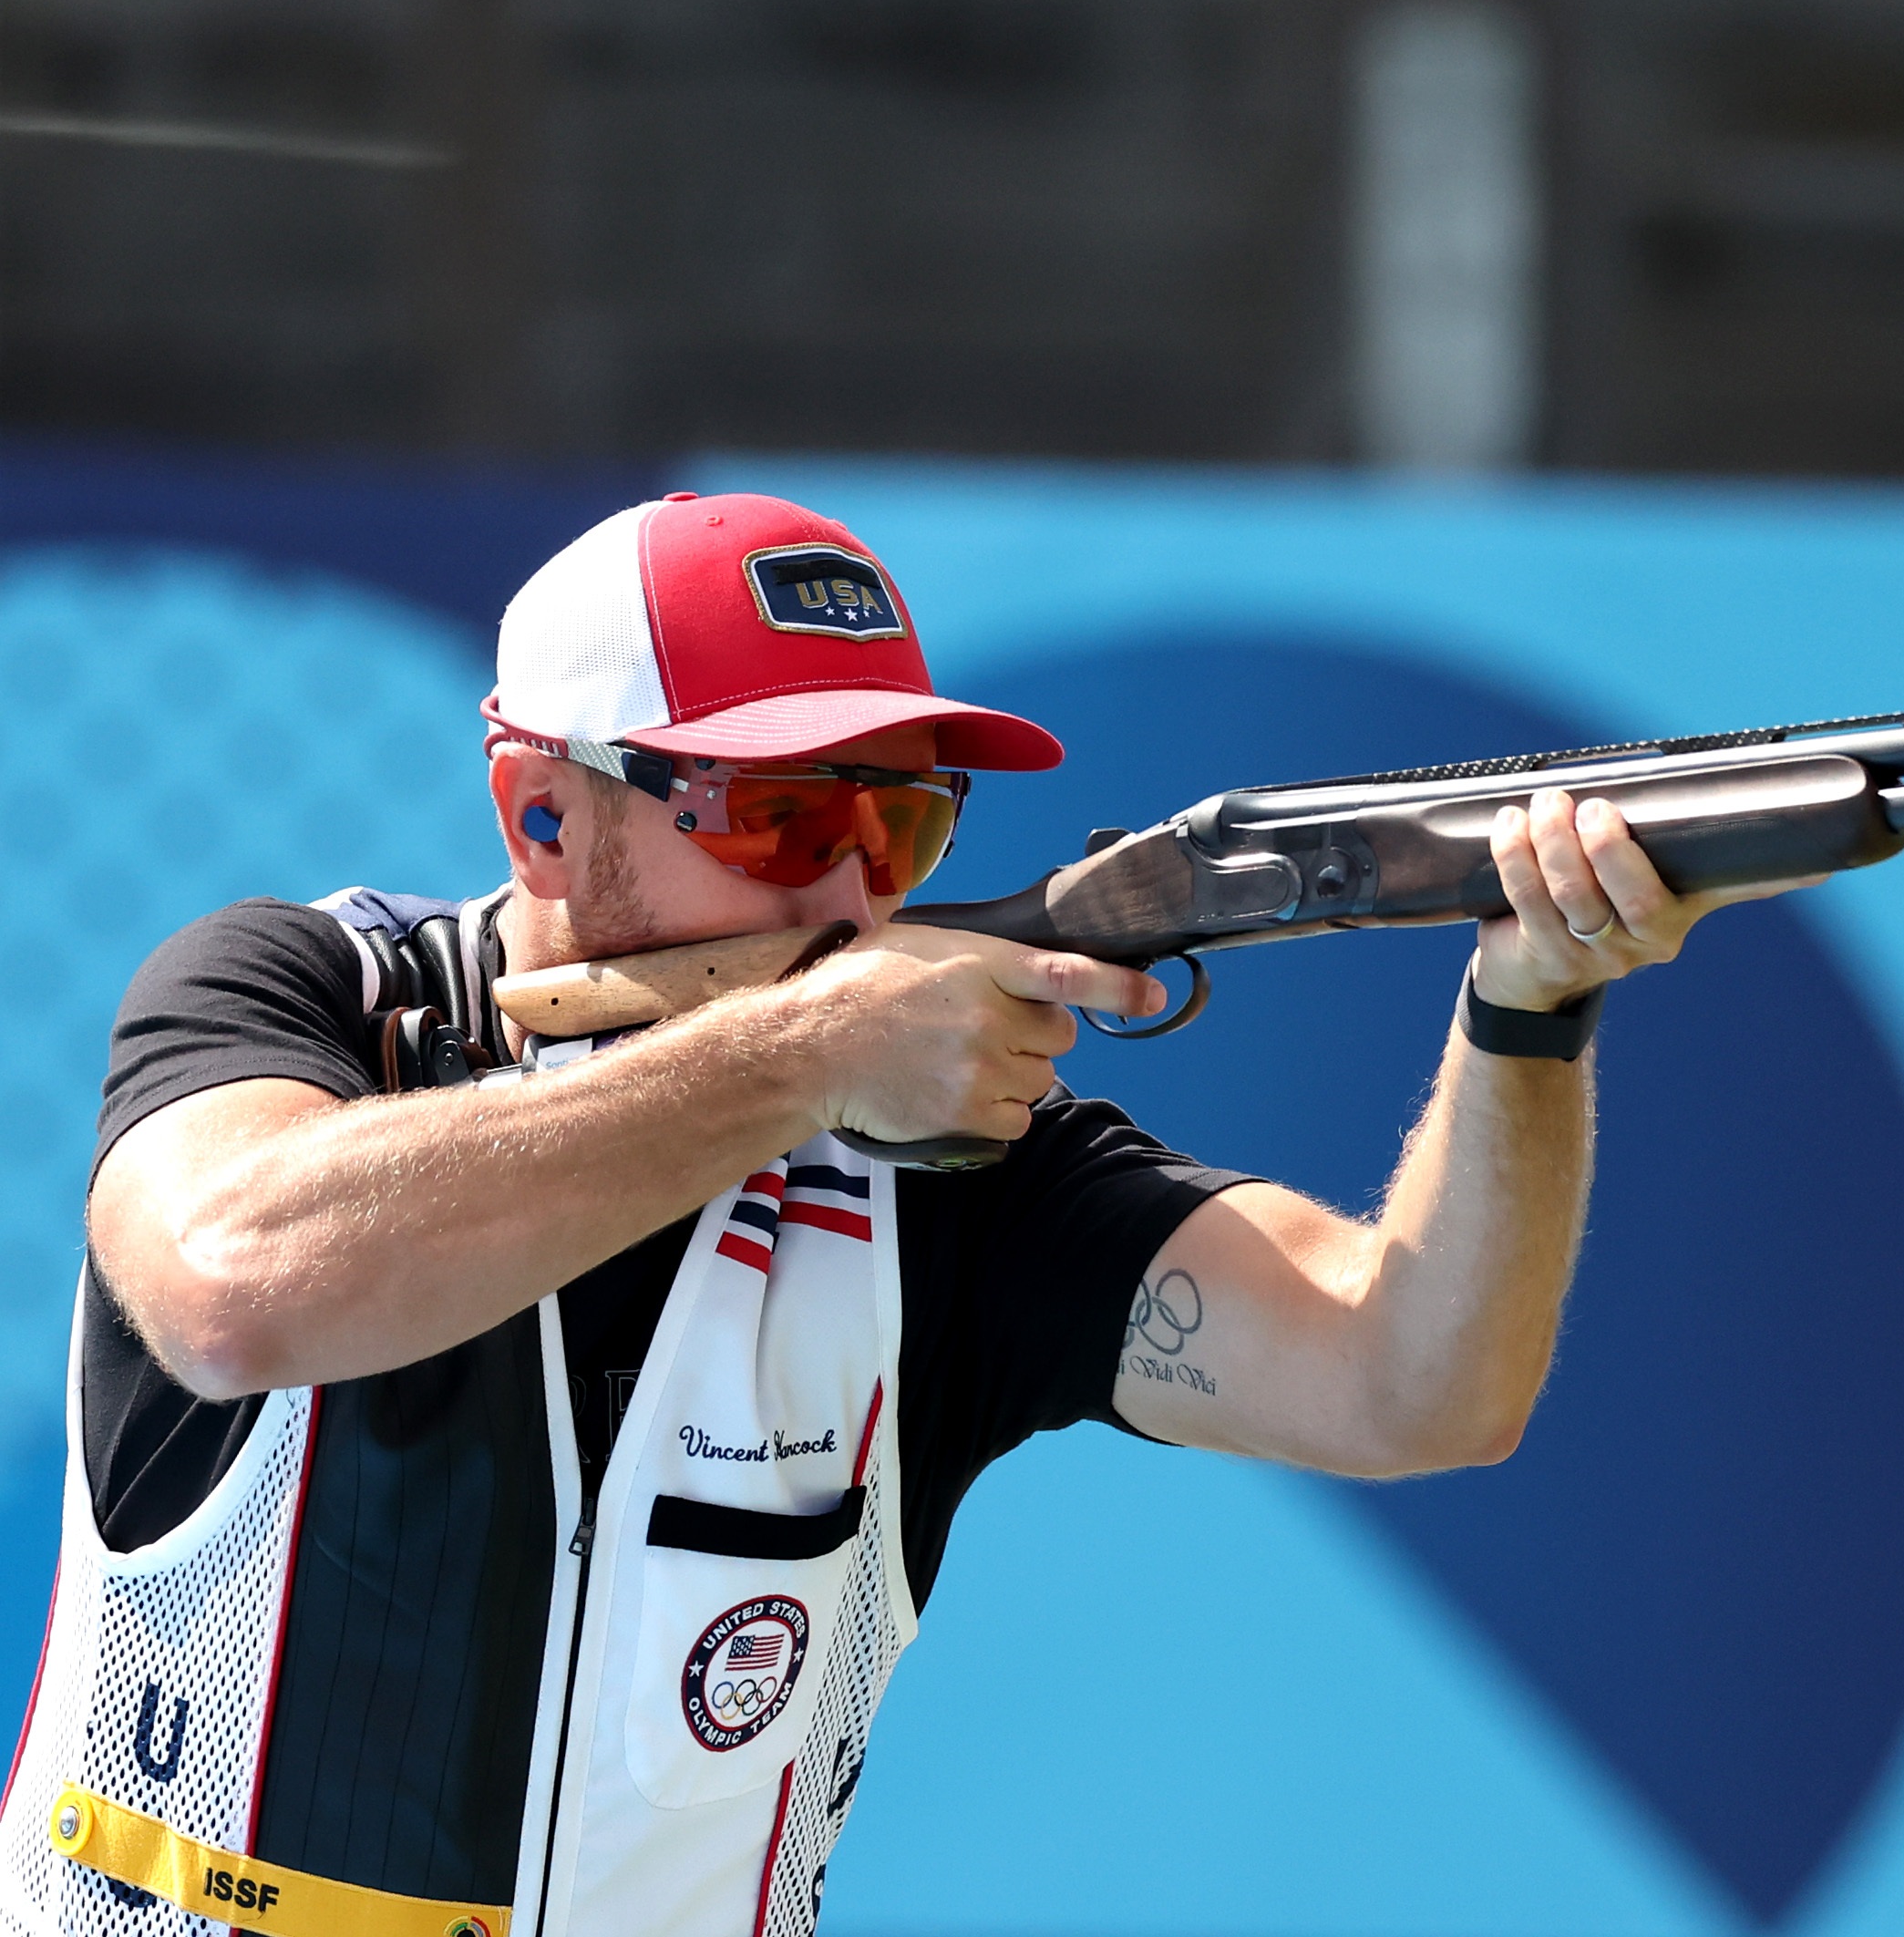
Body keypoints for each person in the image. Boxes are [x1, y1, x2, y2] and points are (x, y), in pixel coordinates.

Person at [2, 493, 1792, 1937]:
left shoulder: (946, 1166)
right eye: (783, 814)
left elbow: (1414, 1380)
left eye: (904, 818)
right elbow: (237, 1276)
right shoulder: (298, 989)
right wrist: (797, 1055)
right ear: (539, 812)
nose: (858, 886)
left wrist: (1528, 1008)